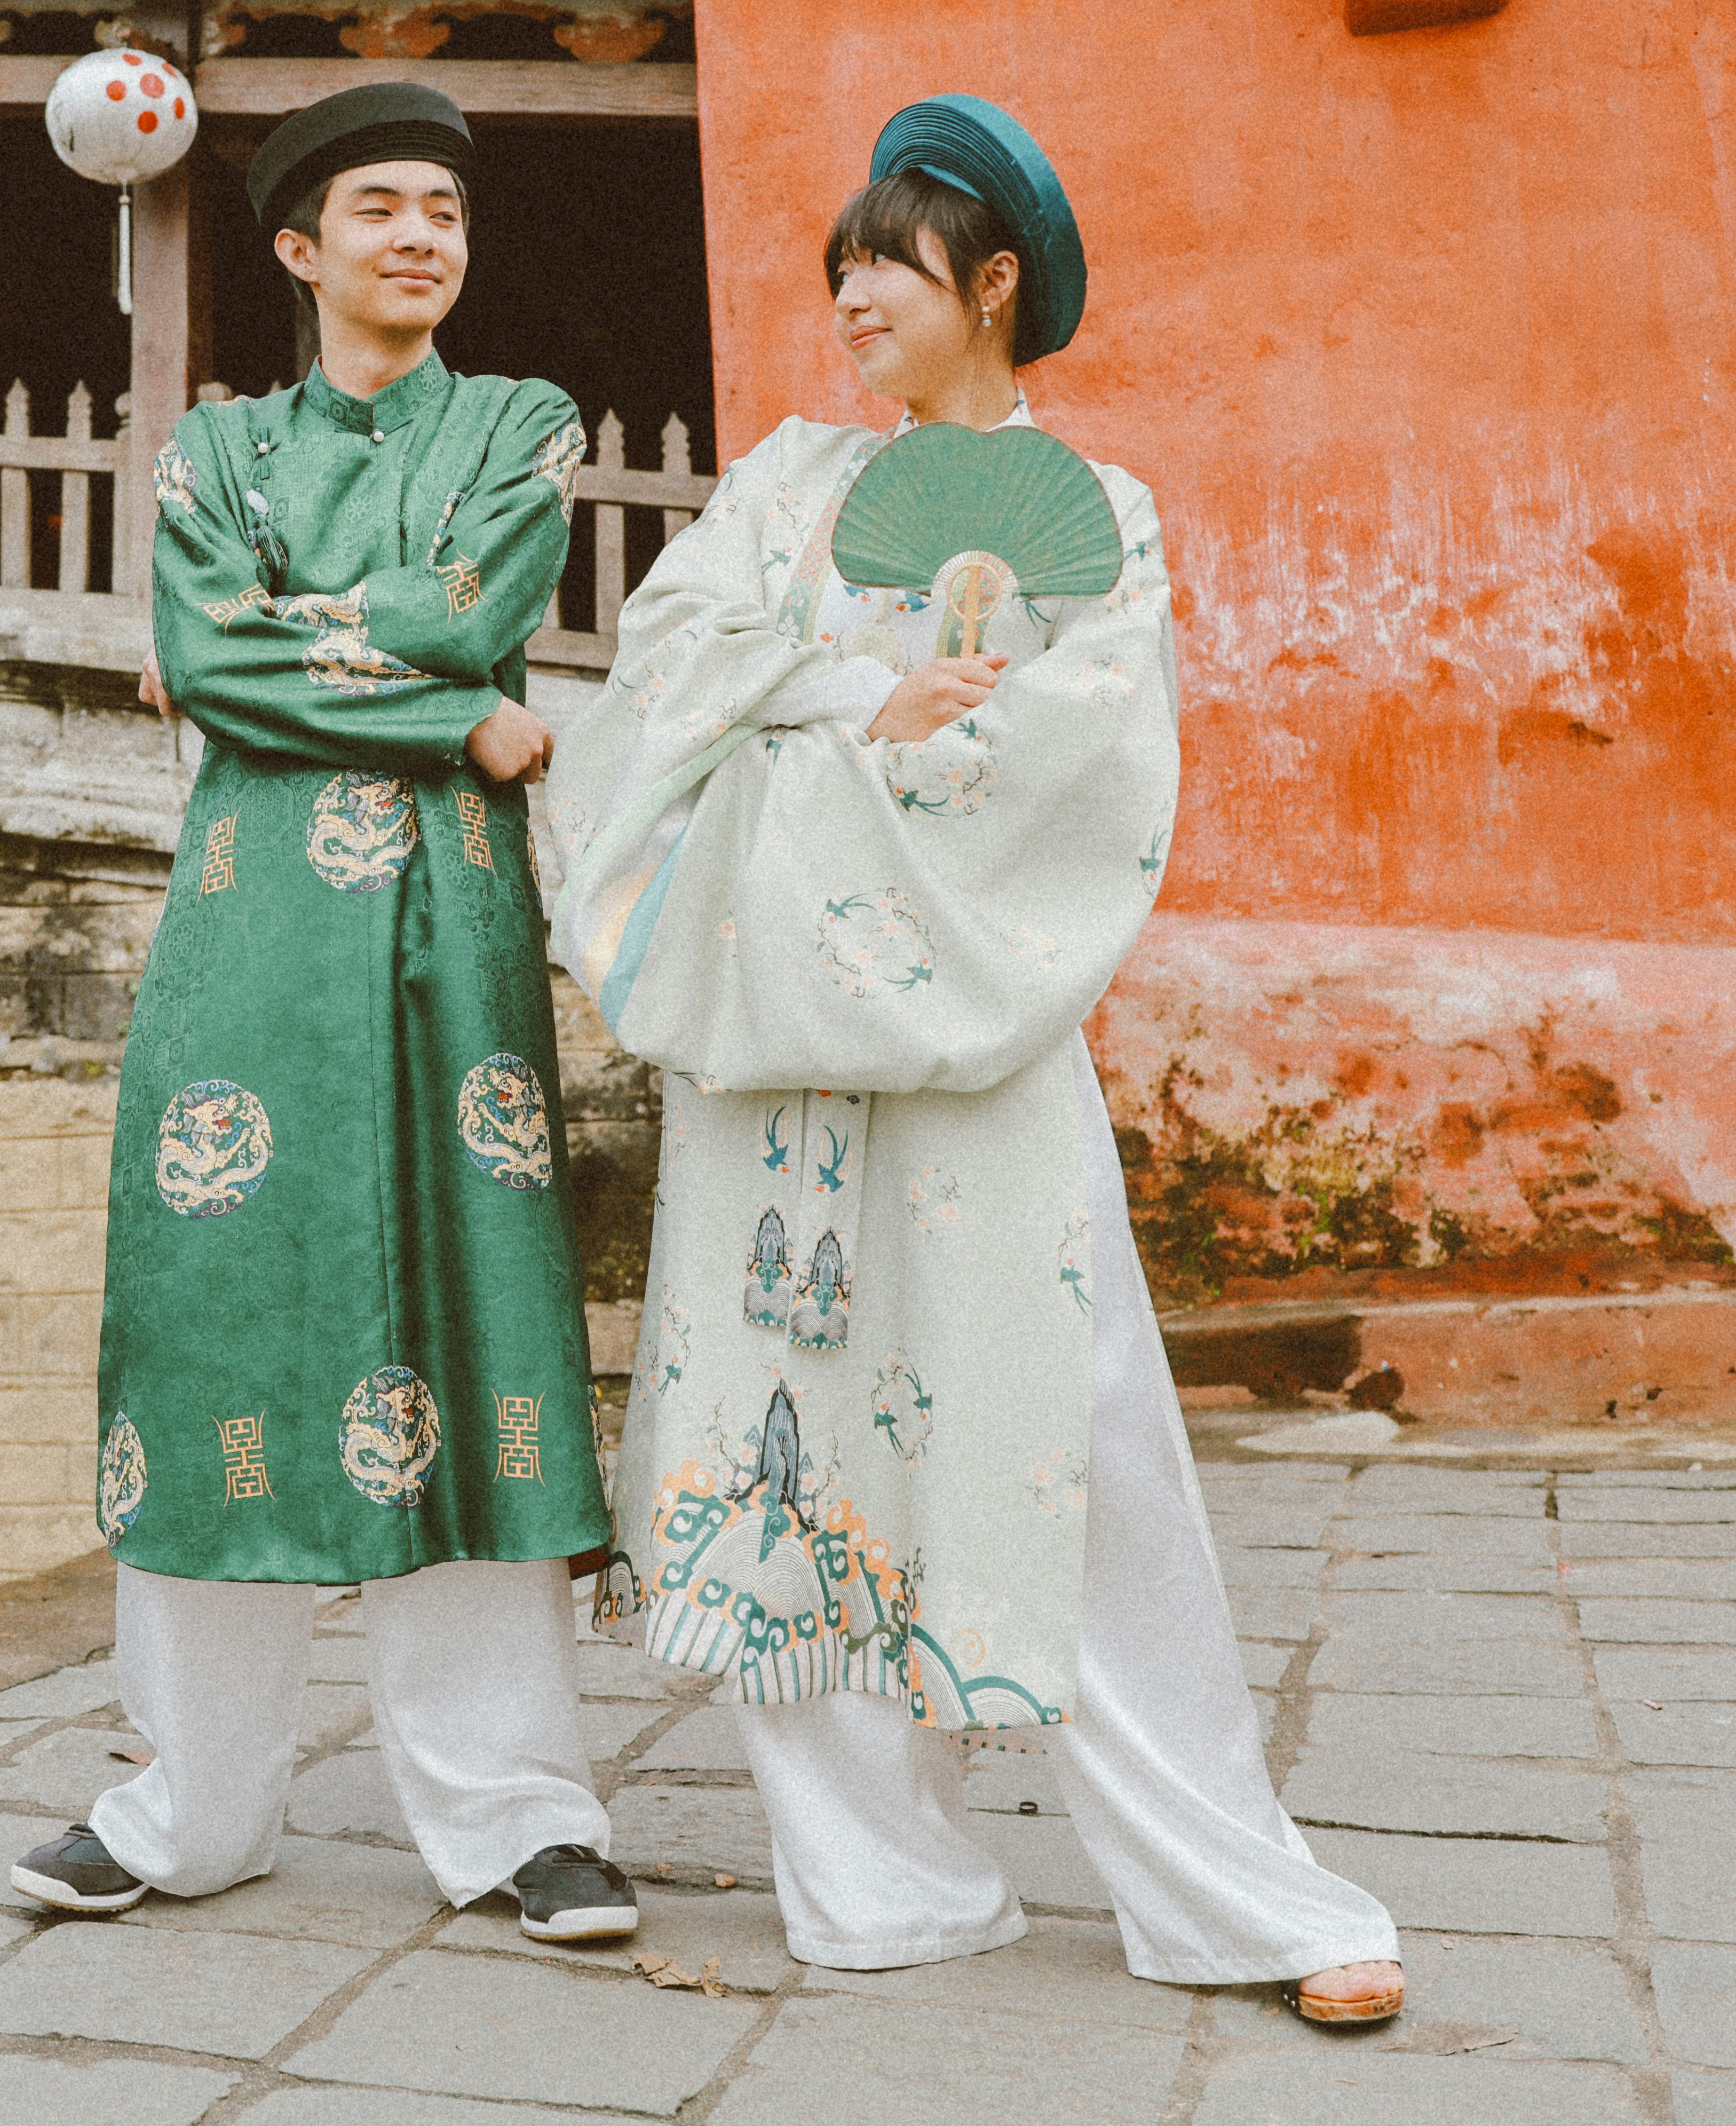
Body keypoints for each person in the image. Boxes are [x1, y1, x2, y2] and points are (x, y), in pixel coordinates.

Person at [546, 97, 1406, 2024]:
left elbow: (1061, 776)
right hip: (771, 1073)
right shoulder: (777, 486)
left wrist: (828, 756)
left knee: (1075, 1445)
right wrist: (853, 695)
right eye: (835, 263)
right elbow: (655, 687)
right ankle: (877, 1879)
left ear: (989, 284)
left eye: (886, 263)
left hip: (976, 1053)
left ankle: (1222, 1885)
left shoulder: (1087, 526)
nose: (843, 293)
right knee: (790, 1454)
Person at [12, 81, 637, 1950]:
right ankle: (189, 1802)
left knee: (478, 1318)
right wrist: (450, 712)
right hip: (254, 935)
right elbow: (227, 650)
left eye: (443, 209)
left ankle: (517, 1811)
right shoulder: (213, 451)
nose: (418, 237)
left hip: (447, 937)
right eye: (377, 207)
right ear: (298, 249)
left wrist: (300, 652)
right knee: (223, 1319)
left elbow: (460, 600)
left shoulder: (525, 428)